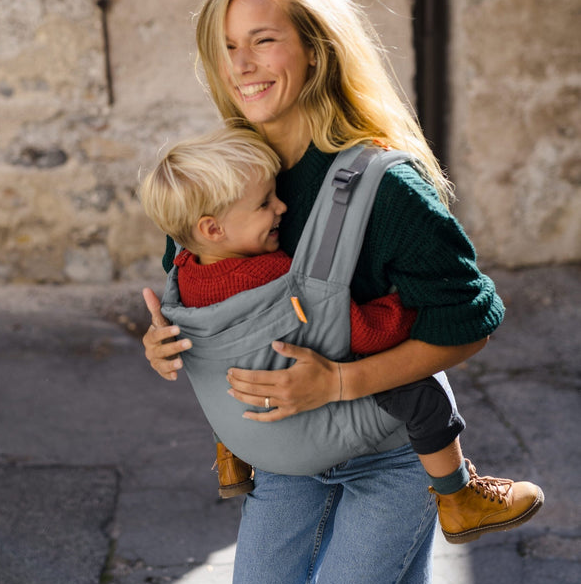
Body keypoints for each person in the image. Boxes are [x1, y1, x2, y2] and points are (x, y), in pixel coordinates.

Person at [141, 0, 543, 584]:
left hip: (389, 457)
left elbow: (468, 319)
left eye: (264, 39)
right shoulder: (226, 173)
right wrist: (163, 341)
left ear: (315, 49)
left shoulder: (386, 187)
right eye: (228, 46)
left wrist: (337, 384)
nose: (243, 64)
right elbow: (196, 286)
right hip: (286, 462)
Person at [139, 125, 543, 542]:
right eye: (265, 203)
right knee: (424, 393)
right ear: (212, 229)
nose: (281, 207)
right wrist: (405, 309)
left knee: (227, 361)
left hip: (244, 426)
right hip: (304, 426)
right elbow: (359, 331)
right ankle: (459, 499)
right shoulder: (271, 272)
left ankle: (231, 459)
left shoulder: (184, 267)